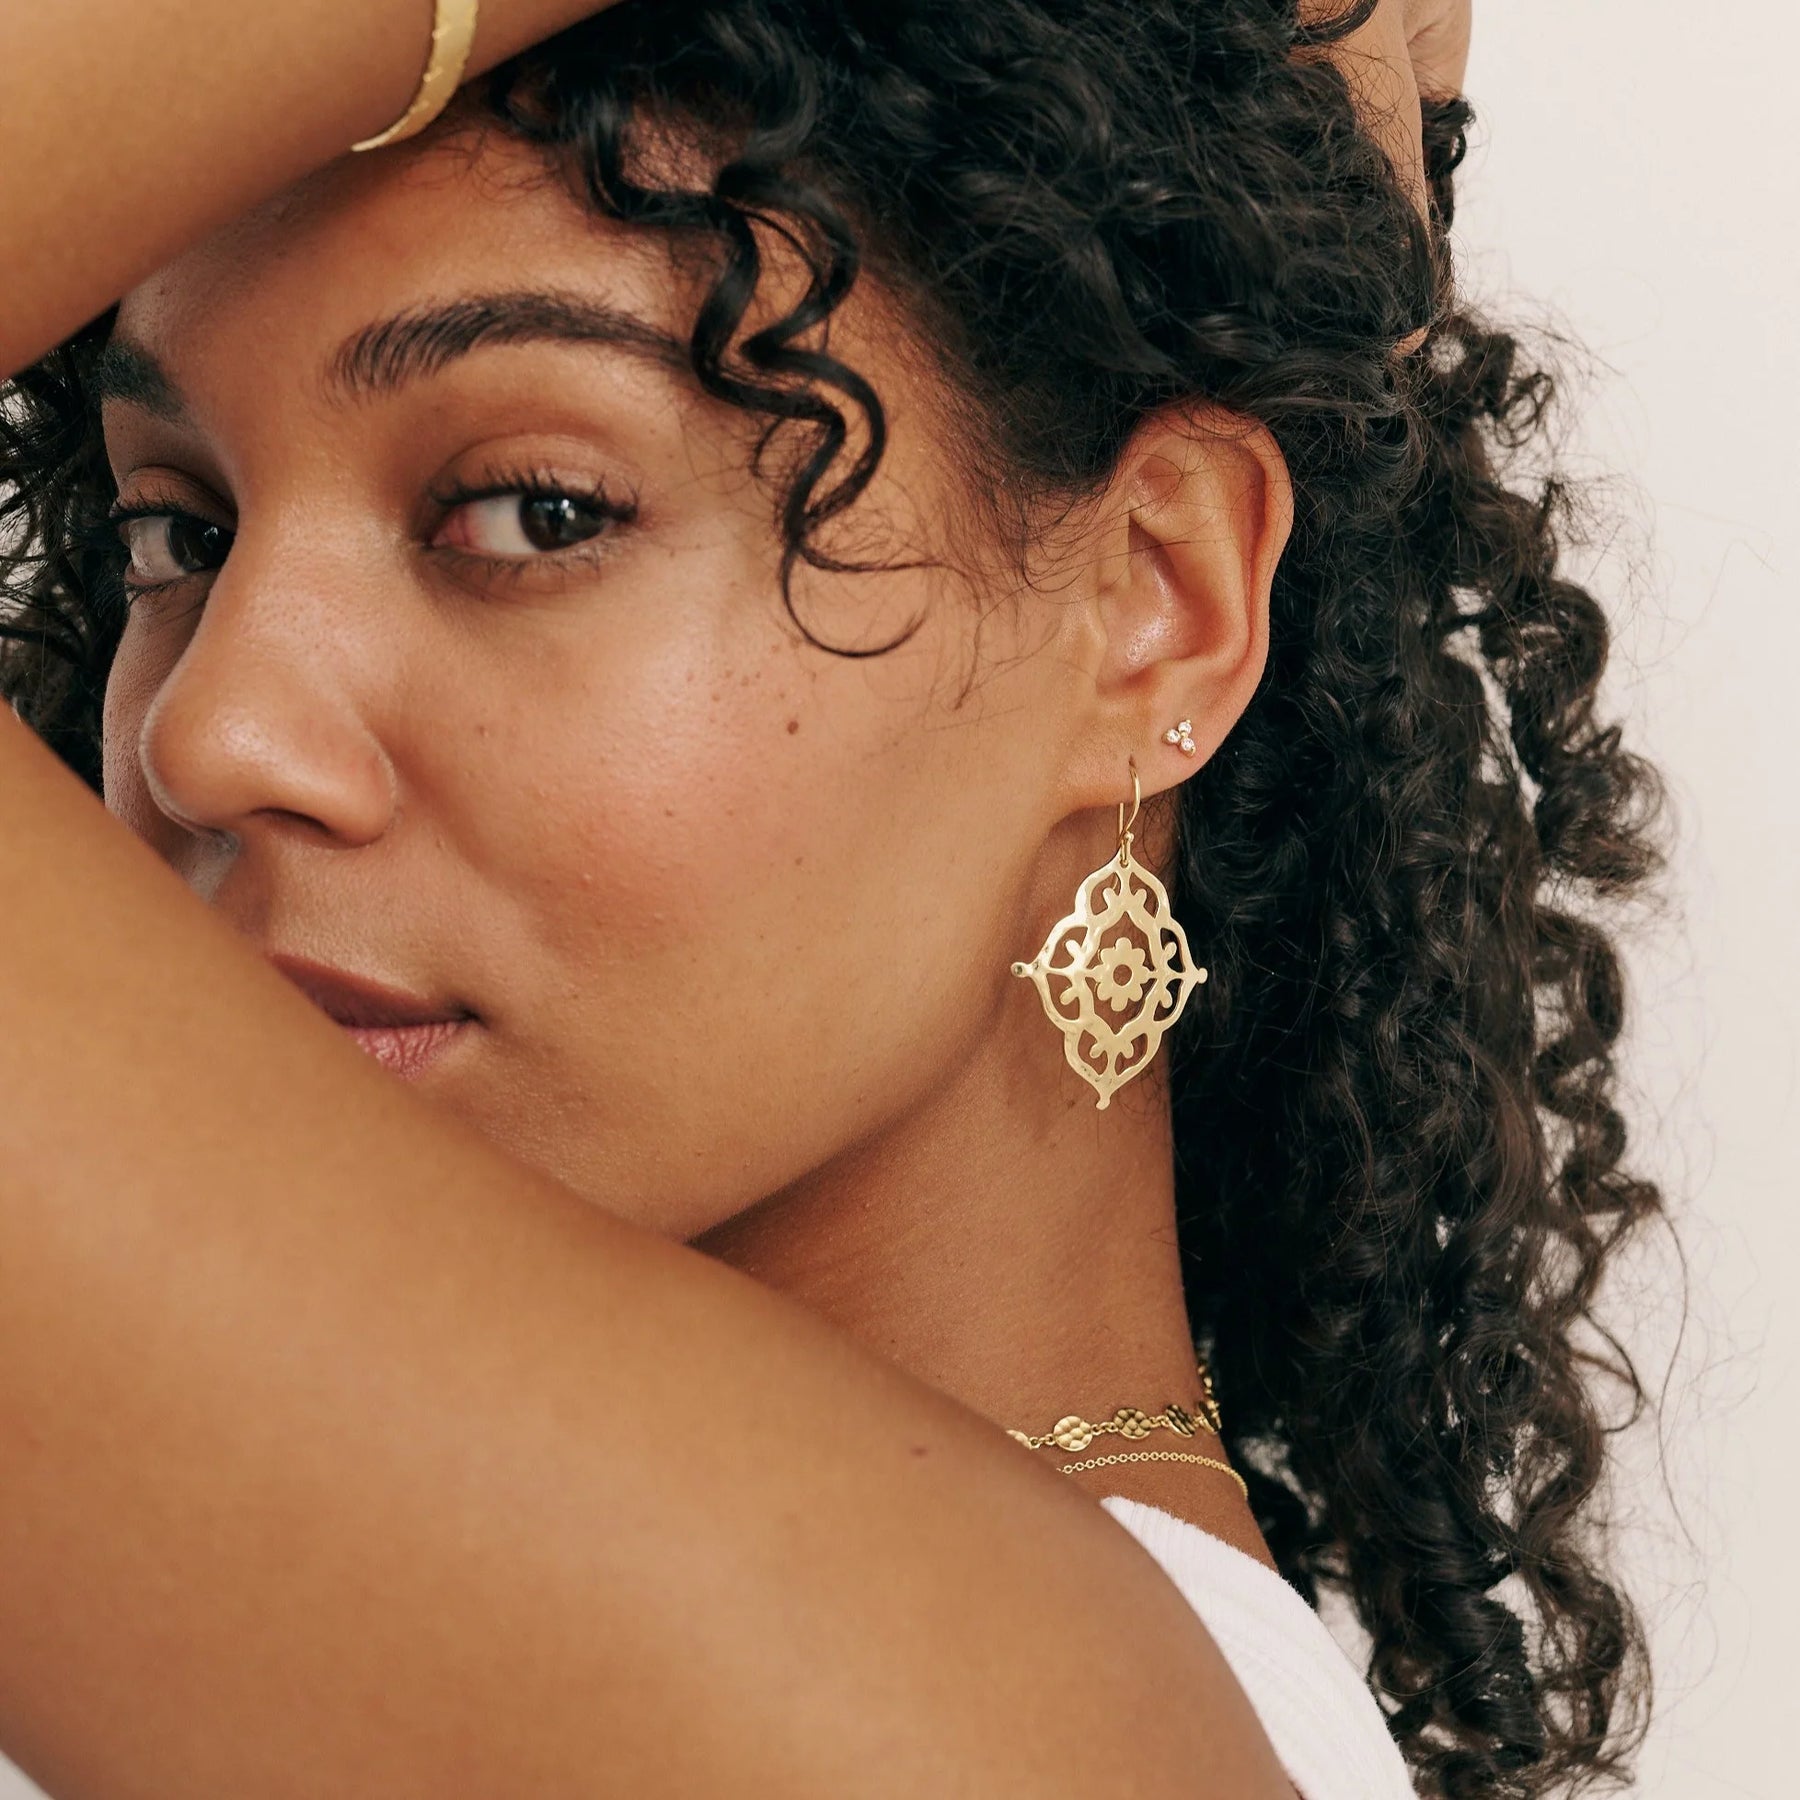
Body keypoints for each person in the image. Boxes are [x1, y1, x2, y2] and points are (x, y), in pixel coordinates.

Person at [0, 1, 1662, 1796]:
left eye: (535, 512)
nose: (208, 734)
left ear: (1152, 604)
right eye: (179, 531)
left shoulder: (958, 1727)